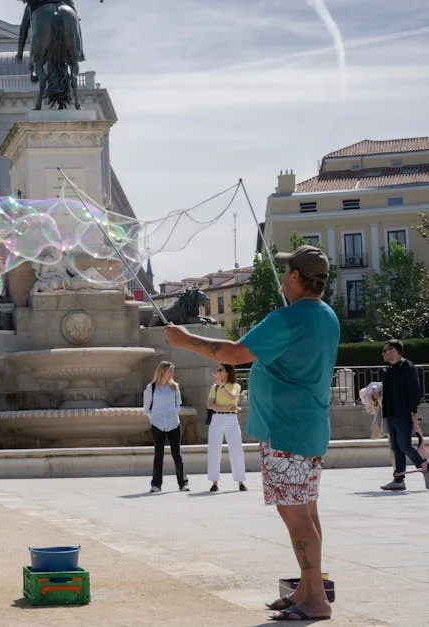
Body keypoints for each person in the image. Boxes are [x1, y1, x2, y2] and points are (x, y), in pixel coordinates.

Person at [165, 244, 339, 622]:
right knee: (306, 511)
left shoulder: (289, 318)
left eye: (285, 270)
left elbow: (234, 352)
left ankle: (316, 602)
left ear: (295, 278)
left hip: (286, 430)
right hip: (308, 426)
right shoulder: (326, 316)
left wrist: (185, 340)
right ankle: (309, 589)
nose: (282, 277)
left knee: (296, 515)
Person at [378, 339, 428, 490]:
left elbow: (414, 391)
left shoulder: (407, 367)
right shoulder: (388, 370)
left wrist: (413, 412)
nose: (383, 353)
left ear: (394, 351)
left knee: (404, 445)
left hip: (403, 413)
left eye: (385, 350)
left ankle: (425, 466)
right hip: (391, 413)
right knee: (396, 447)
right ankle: (399, 479)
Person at [142, 361, 188, 493]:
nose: (172, 374)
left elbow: (178, 404)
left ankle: (183, 483)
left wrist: (173, 414)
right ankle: (156, 484)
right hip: (157, 425)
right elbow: (146, 409)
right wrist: (154, 419)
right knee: (158, 454)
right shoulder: (151, 388)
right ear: (162, 371)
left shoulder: (175, 387)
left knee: (177, 454)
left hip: (174, 424)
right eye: (170, 371)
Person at [206, 364, 247, 493]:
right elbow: (210, 405)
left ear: (228, 372)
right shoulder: (214, 387)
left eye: (220, 370)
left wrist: (222, 387)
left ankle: (240, 481)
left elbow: (233, 397)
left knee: (236, 449)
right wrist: (227, 408)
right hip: (217, 419)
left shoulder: (235, 385)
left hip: (231, 419)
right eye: (217, 370)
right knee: (214, 449)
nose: (218, 372)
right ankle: (214, 482)